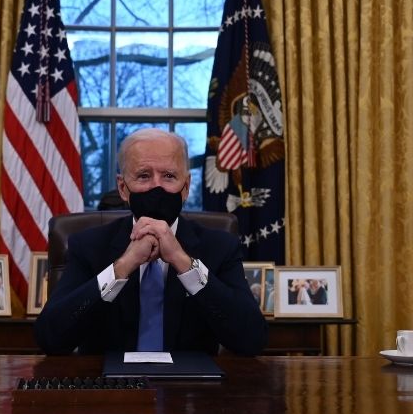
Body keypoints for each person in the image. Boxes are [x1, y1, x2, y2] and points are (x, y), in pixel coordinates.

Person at [34, 129, 267, 356]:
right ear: (123, 188)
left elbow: (251, 340)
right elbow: (51, 338)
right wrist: (123, 266)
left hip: (191, 388)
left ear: (185, 187)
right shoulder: (89, 246)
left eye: (169, 176)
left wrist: (182, 261)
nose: (157, 187)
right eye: (144, 175)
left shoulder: (219, 247)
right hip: (110, 389)